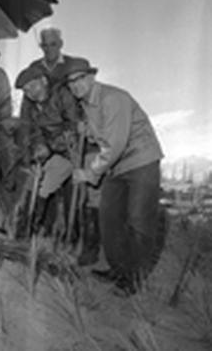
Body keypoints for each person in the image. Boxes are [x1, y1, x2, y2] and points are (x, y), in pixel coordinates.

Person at [63, 58, 165, 295]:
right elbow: (102, 133)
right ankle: (118, 269)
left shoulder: (112, 98)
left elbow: (114, 144)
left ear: (91, 77)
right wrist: (85, 131)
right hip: (116, 167)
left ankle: (134, 278)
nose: (75, 85)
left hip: (140, 161)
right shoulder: (87, 104)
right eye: (70, 82)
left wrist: (89, 173)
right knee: (109, 218)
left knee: (138, 220)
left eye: (79, 79)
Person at [15, 65, 99, 265]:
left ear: (44, 80)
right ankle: (26, 235)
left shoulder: (63, 94)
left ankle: (85, 249)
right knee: (41, 185)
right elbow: (31, 133)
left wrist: (50, 145)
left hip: (84, 150)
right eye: (26, 90)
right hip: (61, 153)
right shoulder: (31, 105)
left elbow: (74, 125)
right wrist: (36, 154)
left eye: (33, 86)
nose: (30, 93)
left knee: (82, 198)